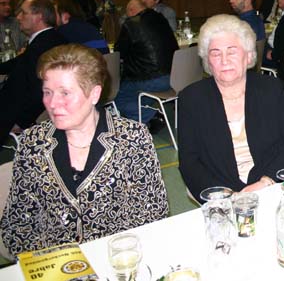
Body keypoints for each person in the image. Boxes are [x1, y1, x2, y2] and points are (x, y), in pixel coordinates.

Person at [0, 44, 169, 257]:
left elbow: (152, 216)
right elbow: (16, 226)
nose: (52, 104)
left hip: (115, 258)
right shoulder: (32, 144)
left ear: (94, 94)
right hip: (54, 263)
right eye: (47, 92)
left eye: (65, 93)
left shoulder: (132, 139)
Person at [178, 14, 284, 200]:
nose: (224, 60)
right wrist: (224, 196)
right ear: (207, 61)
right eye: (215, 53)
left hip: (269, 181)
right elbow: (189, 162)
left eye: (232, 51)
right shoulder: (191, 98)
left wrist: (266, 182)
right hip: (220, 188)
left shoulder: (270, 88)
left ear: (248, 55)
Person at [0, 0, 67, 144]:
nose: (18, 17)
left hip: (14, 115)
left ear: (39, 17)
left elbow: (39, 92)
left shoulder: (40, 48)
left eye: (23, 13)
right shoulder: (52, 39)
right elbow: (19, 62)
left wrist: (21, 122)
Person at [114, 0, 178, 128]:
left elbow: (119, 52)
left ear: (131, 11)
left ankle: (151, 116)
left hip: (150, 78)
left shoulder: (130, 24)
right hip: (174, 75)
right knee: (137, 95)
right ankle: (145, 113)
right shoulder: (160, 18)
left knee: (117, 98)